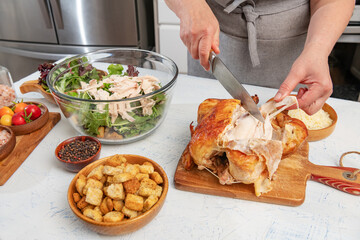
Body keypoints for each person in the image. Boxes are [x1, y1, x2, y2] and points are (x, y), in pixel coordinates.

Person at [164, 0, 355, 115]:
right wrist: (189, 5)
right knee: (207, 116)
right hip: (211, 39)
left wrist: (319, 49)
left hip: (296, 54)